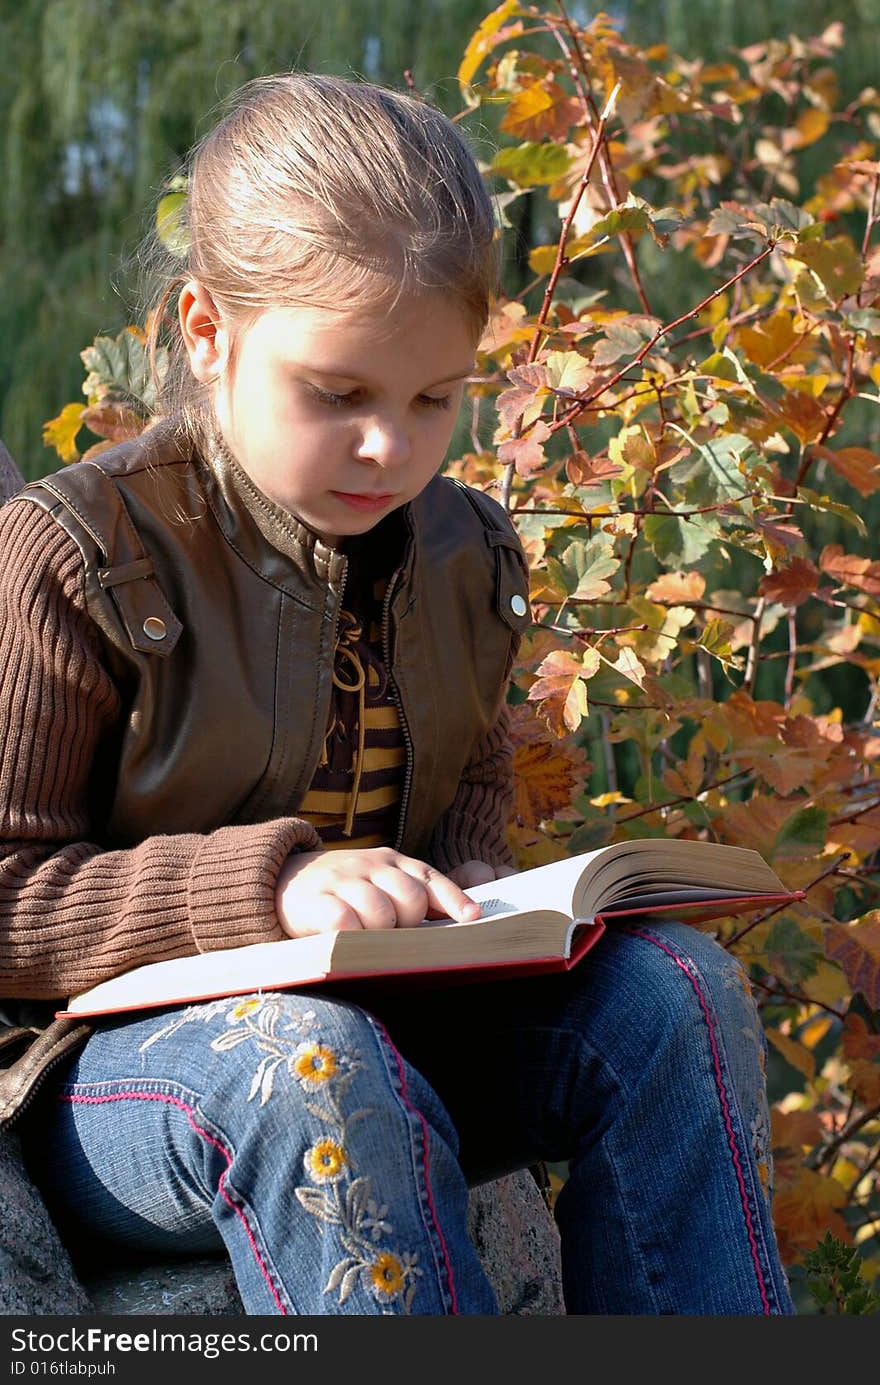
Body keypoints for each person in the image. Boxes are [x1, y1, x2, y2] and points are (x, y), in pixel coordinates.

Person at [0, 72, 795, 1316]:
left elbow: (470, 774)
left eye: (436, 399)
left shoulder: (463, 553)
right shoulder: (76, 555)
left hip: (401, 1023)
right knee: (316, 1063)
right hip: (119, 1084)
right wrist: (274, 884)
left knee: (676, 994)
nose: (393, 448)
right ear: (206, 332)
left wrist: (482, 900)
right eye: (340, 395)